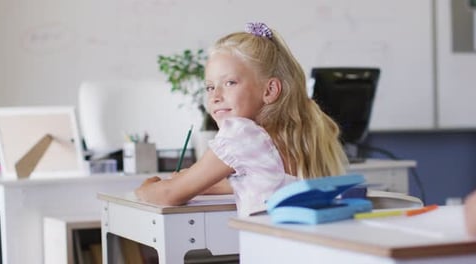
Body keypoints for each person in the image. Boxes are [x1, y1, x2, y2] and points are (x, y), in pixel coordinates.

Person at [135, 22, 347, 217]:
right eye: (210, 87)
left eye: (230, 83)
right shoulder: (297, 135)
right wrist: (206, 184)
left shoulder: (242, 134)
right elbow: (268, 182)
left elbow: (168, 194)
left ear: (270, 90)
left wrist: (146, 188)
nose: (215, 96)